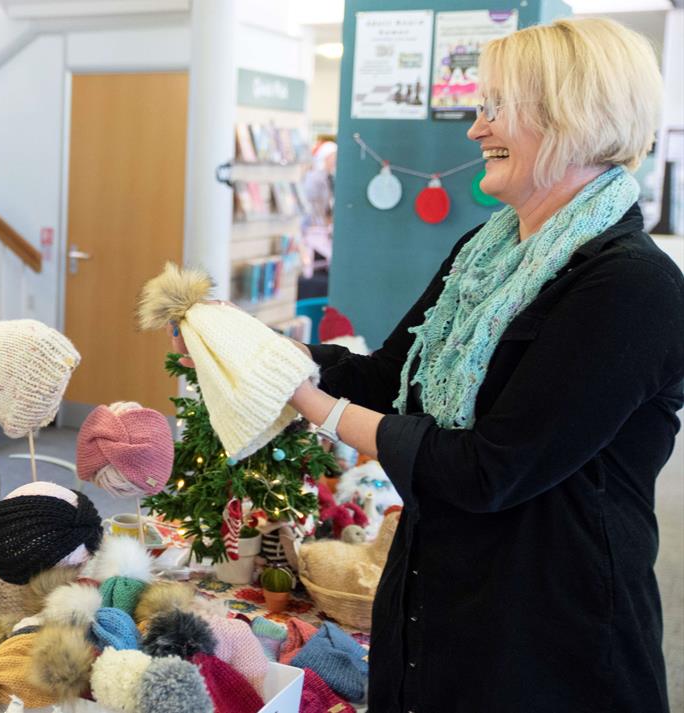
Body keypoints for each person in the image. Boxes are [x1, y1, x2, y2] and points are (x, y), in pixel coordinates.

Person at [174, 18, 681, 711]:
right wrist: (272, 355)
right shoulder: (486, 249)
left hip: (547, 638)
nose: (476, 130)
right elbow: (393, 377)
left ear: (575, 117)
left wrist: (317, 406)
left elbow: (490, 467)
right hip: (436, 601)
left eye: (498, 107)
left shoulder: (630, 286)